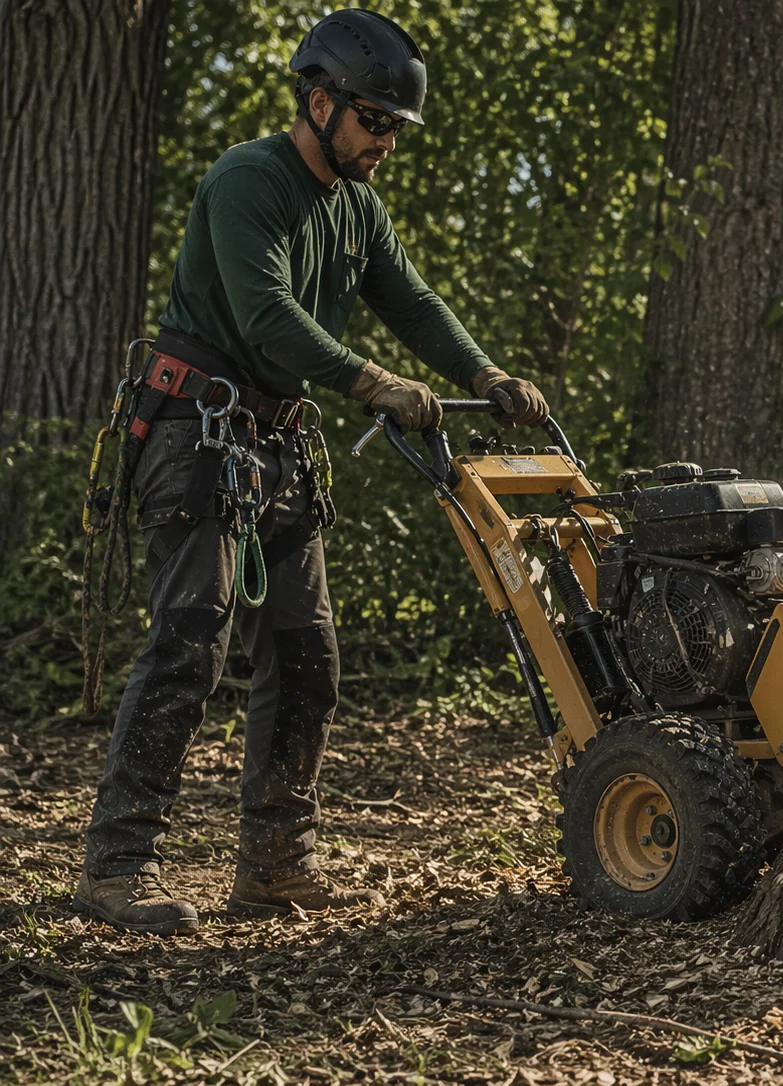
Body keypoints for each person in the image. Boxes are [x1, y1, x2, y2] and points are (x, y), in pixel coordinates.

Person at [72, 8, 547, 936]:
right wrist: (373, 383)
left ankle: (273, 864)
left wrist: (482, 374)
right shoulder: (250, 179)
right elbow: (267, 317)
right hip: (195, 428)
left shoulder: (357, 205)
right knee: (189, 645)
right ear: (321, 101)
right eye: (375, 121)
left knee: (305, 653)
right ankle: (116, 868)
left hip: (276, 439)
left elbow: (412, 300)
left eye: (397, 130)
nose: (386, 144)